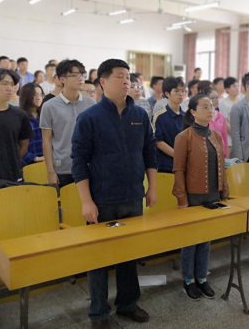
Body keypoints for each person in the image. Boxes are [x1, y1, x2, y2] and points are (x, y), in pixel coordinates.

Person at [71, 59, 157, 328]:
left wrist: (152, 187)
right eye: (119, 76)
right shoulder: (89, 118)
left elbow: (149, 152)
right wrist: (86, 201)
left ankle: (128, 304)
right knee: (99, 258)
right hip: (102, 199)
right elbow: (79, 161)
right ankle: (99, 312)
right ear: (103, 82)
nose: (126, 81)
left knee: (129, 255)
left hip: (133, 196)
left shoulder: (139, 115)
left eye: (128, 77)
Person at [173, 94, 228, 301]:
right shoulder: (184, 137)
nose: (210, 110)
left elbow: (222, 166)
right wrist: (182, 200)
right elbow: (178, 170)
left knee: (206, 239)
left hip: (212, 194)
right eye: (204, 107)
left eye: (211, 106)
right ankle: (188, 280)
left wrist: (224, 191)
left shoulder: (216, 136)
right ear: (193, 112)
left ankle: (202, 278)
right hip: (193, 196)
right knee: (190, 240)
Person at [40, 59, 95, 189]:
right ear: (62, 79)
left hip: (89, 167)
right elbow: (46, 140)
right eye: (74, 75)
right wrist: (50, 171)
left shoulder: (91, 104)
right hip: (62, 168)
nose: (80, 78)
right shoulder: (49, 106)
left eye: (82, 74)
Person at [154, 77, 186, 173]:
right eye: (177, 91)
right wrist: (178, 155)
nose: (181, 94)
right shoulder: (160, 116)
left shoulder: (186, 116)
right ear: (167, 93)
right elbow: (159, 142)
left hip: (185, 165)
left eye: (183, 91)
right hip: (166, 166)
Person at [19, 82, 45, 167]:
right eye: (35, 95)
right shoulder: (20, 117)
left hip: (47, 160)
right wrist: (34, 158)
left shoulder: (45, 115)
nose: (39, 98)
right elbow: (17, 145)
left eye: (41, 95)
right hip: (28, 163)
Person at [204, 86, 229, 156]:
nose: (216, 100)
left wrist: (226, 155)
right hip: (207, 152)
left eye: (217, 97)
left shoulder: (221, 116)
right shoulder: (202, 117)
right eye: (213, 98)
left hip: (220, 152)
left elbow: (224, 137)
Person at [219, 77, 240, 151]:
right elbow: (225, 122)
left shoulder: (242, 101)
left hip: (243, 141)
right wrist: (237, 135)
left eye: (238, 86)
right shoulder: (223, 103)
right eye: (234, 86)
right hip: (230, 141)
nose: (237, 88)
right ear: (227, 89)